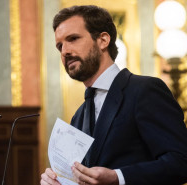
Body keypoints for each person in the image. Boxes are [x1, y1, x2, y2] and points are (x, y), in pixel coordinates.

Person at [40, 5, 187, 185]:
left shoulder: (145, 90)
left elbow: (181, 161)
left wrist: (118, 177)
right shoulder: (78, 116)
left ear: (103, 40)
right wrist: (60, 181)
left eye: (73, 39)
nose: (65, 51)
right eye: (60, 46)